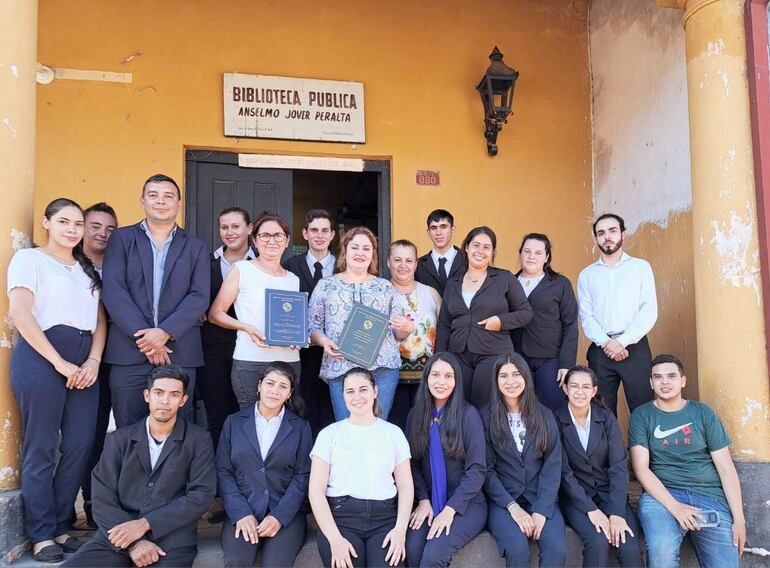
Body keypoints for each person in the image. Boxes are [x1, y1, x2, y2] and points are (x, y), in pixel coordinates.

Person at [8, 198, 106, 562]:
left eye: (78, 224)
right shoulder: (30, 260)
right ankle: (41, 534)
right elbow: (19, 311)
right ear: (47, 223)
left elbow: (99, 321)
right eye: (64, 221)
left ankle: (62, 525)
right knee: (42, 448)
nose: (72, 229)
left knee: (80, 445)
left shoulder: (86, 269)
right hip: (42, 355)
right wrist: (59, 362)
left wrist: (93, 360)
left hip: (84, 359)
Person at [62, 365, 216, 567]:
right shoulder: (120, 439)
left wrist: (145, 524)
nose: (164, 401)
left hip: (172, 537)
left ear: (183, 400)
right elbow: (102, 496)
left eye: (174, 394)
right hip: (118, 534)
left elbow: (201, 495)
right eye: (159, 393)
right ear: (147, 395)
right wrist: (135, 543)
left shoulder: (198, 439)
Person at [102, 174, 210, 427]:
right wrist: (147, 339)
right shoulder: (121, 239)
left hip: (179, 351)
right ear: (142, 201)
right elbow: (114, 290)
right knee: (127, 428)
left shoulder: (195, 247)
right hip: (129, 352)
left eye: (168, 196)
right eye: (154, 195)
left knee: (177, 430)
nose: (161, 201)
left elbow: (199, 296)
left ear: (179, 204)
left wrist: (164, 332)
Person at [630, 354, 747, 568]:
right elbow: (641, 469)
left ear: (683, 380)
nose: (665, 382)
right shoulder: (642, 415)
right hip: (663, 498)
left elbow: (725, 467)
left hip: (709, 497)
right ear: (651, 382)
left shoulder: (702, 413)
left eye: (671, 376)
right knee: (662, 555)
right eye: (658, 377)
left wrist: (739, 519)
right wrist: (675, 507)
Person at [309, 368, 414, 568]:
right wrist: (334, 538)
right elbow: (315, 491)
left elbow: (406, 486)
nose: (357, 397)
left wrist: (400, 530)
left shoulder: (393, 433)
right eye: (350, 391)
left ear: (375, 391)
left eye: (363, 389)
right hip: (341, 519)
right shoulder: (329, 434)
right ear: (343, 396)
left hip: (385, 520)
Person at [309, 227, 412, 421]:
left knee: (377, 427)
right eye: (355, 247)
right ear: (344, 250)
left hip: (382, 370)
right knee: (346, 428)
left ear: (373, 254)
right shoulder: (326, 285)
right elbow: (312, 327)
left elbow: (398, 331)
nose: (360, 253)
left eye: (366, 248)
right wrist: (324, 342)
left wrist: (406, 328)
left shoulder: (385, 286)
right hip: (341, 366)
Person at [216, 362, 312, 568]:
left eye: (283, 386)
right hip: (244, 509)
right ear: (259, 385)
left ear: (290, 393)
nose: (275, 391)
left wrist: (279, 516)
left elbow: (303, 476)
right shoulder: (234, 422)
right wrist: (241, 513)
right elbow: (223, 471)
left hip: (286, 513)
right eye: (270, 383)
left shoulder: (301, 428)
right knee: (236, 563)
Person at [209, 212, 302, 410]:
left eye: (278, 235)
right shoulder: (242, 269)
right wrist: (246, 327)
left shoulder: (293, 279)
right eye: (265, 235)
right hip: (251, 361)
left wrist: (300, 336)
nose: (272, 241)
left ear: (286, 241)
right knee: (251, 423)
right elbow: (215, 313)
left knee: (284, 423)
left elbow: (293, 320)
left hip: (289, 361)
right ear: (255, 240)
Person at [482, 353, 565, 568]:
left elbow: (553, 464)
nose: (510, 381)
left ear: (526, 377)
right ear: (496, 381)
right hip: (504, 501)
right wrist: (512, 507)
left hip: (541, 498)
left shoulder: (545, 415)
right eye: (504, 376)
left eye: (516, 374)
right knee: (517, 548)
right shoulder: (485, 417)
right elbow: (486, 470)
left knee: (556, 548)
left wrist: (542, 509)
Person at [555, 366, 643, 567]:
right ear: (566, 389)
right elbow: (563, 472)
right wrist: (590, 510)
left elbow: (618, 466)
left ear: (594, 391)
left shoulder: (606, 418)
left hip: (609, 493)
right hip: (576, 499)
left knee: (628, 545)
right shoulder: (555, 420)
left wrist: (617, 513)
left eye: (586, 387)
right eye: (574, 386)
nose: (579, 391)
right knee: (597, 541)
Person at [405, 352, 486, 567]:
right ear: (426, 378)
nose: (441, 382)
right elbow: (411, 463)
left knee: (434, 555)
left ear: (456, 381)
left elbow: (477, 469)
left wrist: (450, 510)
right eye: (436, 375)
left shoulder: (469, 415)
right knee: (412, 549)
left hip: (466, 505)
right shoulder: (416, 414)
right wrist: (423, 499)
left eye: (448, 376)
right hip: (429, 501)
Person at [435, 226, 532, 407]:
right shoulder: (453, 282)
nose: (480, 251)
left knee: (484, 405)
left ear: (493, 252)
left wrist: (501, 322)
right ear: (466, 248)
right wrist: (439, 358)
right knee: (457, 406)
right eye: (476, 245)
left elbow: (526, 313)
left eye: (486, 247)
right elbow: (444, 324)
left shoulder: (504, 278)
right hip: (458, 355)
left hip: (492, 353)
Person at [577, 213, 657, 415]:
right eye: (601, 233)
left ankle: (642, 448)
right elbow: (586, 316)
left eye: (612, 231)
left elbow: (648, 310)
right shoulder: (587, 274)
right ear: (596, 238)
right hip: (600, 350)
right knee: (601, 411)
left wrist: (623, 341)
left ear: (623, 234)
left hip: (635, 347)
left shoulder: (640, 268)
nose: (607, 237)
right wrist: (607, 343)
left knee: (643, 409)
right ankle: (608, 448)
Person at [200, 207, 255, 449]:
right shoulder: (204, 263)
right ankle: (219, 480)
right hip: (212, 349)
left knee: (247, 415)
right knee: (217, 416)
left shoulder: (265, 265)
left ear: (249, 229)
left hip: (251, 350)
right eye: (224, 227)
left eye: (236, 226)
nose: (230, 232)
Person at [78, 202, 118, 528]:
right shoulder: (71, 264)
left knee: (109, 434)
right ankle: (77, 504)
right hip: (79, 359)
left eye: (109, 228)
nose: (102, 233)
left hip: (116, 358)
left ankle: (101, 501)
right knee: (83, 435)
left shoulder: (120, 264)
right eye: (95, 226)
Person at [283, 208, 336, 436]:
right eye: (314, 230)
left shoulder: (345, 266)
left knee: (332, 408)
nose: (320, 235)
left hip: (336, 351)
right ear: (305, 233)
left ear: (333, 235)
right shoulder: (289, 266)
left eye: (325, 230)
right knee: (302, 405)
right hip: (300, 351)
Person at [511, 233, 577, 411]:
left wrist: (566, 364)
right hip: (517, 358)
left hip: (550, 359)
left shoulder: (560, 284)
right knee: (522, 409)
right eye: (527, 251)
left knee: (553, 409)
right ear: (520, 254)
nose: (532, 256)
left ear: (547, 257)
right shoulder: (509, 282)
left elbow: (570, 324)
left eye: (538, 252)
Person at [388, 239, 441, 430]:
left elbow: (445, 332)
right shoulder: (381, 292)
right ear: (388, 262)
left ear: (416, 263)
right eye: (397, 260)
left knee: (426, 429)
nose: (403, 265)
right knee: (396, 428)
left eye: (409, 260)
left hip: (428, 379)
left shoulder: (431, 293)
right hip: (391, 378)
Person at [414, 209, 467, 297]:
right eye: (434, 228)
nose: (438, 232)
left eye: (443, 227)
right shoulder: (418, 265)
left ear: (452, 230)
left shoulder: (467, 260)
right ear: (428, 233)